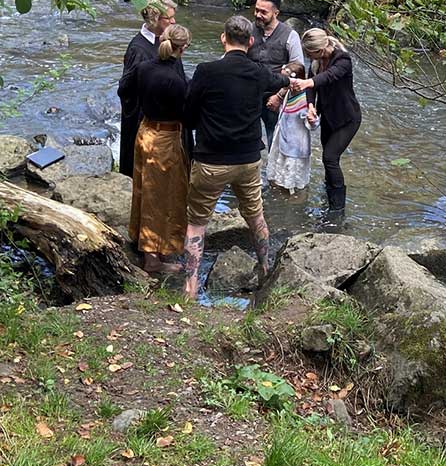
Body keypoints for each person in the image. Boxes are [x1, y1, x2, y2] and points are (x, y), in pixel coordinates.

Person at [182, 15, 289, 298]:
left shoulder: (206, 71)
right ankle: (266, 270)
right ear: (251, 42)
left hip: (211, 161)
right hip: (248, 160)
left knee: (196, 223)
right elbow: (282, 80)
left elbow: (189, 116)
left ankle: (190, 288)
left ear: (222, 38)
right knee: (256, 217)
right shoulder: (258, 73)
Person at [117, 23, 191, 274]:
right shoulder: (176, 79)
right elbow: (188, 115)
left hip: (144, 131)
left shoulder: (143, 67)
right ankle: (153, 258)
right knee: (161, 196)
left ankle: (142, 240)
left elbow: (123, 89)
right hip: (166, 138)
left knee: (143, 189)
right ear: (183, 48)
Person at [290, 28, 361, 212]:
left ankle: (337, 209)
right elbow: (313, 87)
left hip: (348, 118)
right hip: (328, 117)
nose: (307, 56)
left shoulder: (342, 59)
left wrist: (306, 83)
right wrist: (311, 106)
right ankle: (329, 194)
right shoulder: (317, 62)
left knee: (330, 158)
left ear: (320, 49)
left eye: (309, 53)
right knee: (328, 160)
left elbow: (329, 77)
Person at [118, 0, 178, 178]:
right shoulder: (138, 49)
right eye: (169, 18)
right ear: (155, 19)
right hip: (144, 122)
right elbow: (126, 90)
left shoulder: (166, 42)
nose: (174, 22)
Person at [250, 0, 305, 164]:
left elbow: (299, 68)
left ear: (276, 13)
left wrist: (279, 96)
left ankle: (274, 176)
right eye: (256, 10)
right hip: (248, 95)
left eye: (263, 12)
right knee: (246, 138)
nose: (258, 14)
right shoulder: (248, 29)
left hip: (275, 96)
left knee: (274, 139)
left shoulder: (290, 35)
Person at [264, 62, 319, 194]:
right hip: (281, 138)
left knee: (292, 174)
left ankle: (293, 195)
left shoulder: (305, 99)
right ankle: (278, 189)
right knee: (278, 170)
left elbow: (314, 124)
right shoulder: (288, 93)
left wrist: (312, 120)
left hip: (295, 144)